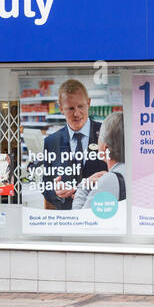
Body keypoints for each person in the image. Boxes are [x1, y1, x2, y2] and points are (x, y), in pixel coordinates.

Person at [41, 78, 106, 210]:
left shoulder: (106, 134)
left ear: (88, 103)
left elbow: (121, 176)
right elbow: (45, 185)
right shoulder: (51, 141)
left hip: (100, 214)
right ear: (61, 109)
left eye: (80, 106)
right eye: (70, 108)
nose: (76, 114)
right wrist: (56, 192)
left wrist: (106, 179)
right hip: (67, 220)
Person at [72, 111, 128, 209]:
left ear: (105, 148)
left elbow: (81, 221)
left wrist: (83, 187)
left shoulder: (109, 181)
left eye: (99, 135)